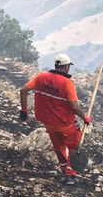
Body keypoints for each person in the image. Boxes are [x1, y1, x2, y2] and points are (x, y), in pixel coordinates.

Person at [19, 54, 91, 184]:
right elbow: (74, 107)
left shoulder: (41, 77)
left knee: (58, 146)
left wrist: (24, 110)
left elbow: (23, 90)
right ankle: (70, 174)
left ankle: (64, 167)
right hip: (65, 124)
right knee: (75, 146)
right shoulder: (68, 84)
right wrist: (85, 117)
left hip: (48, 123)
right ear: (66, 67)